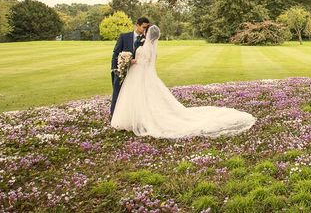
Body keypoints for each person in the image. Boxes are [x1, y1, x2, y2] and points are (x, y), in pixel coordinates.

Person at [110, 25, 256, 138]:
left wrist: (130, 60)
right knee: (145, 97)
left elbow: (142, 61)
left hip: (140, 74)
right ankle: (138, 118)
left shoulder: (145, 47)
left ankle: (140, 119)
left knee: (142, 96)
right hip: (142, 75)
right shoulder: (151, 47)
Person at [110, 16, 150, 118]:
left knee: (132, 95)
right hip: (121, 70)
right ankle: (114, 116)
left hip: (136, 73)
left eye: (146, 28)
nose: (145, 30)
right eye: (143, 27)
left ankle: (129, 117)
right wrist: (116, 69)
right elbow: (116, 53)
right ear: (137, 25)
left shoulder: (146, 40)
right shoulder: (124, 36)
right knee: (117, 94)